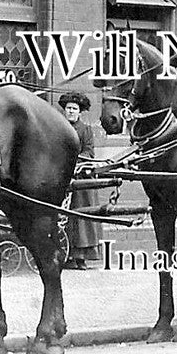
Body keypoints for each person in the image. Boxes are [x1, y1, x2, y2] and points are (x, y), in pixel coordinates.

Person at [58, 92, 102, 269]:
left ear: (80, 112)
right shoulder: (58, 127)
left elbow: (89, 152)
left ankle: (81, 257)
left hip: (81, 178)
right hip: (61, 176)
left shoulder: (85, 130)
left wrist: (75, 162)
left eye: (74, 109)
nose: (71, 112)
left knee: (82, 216)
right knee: (62, 216)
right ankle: (65, 255)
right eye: (68, 108)